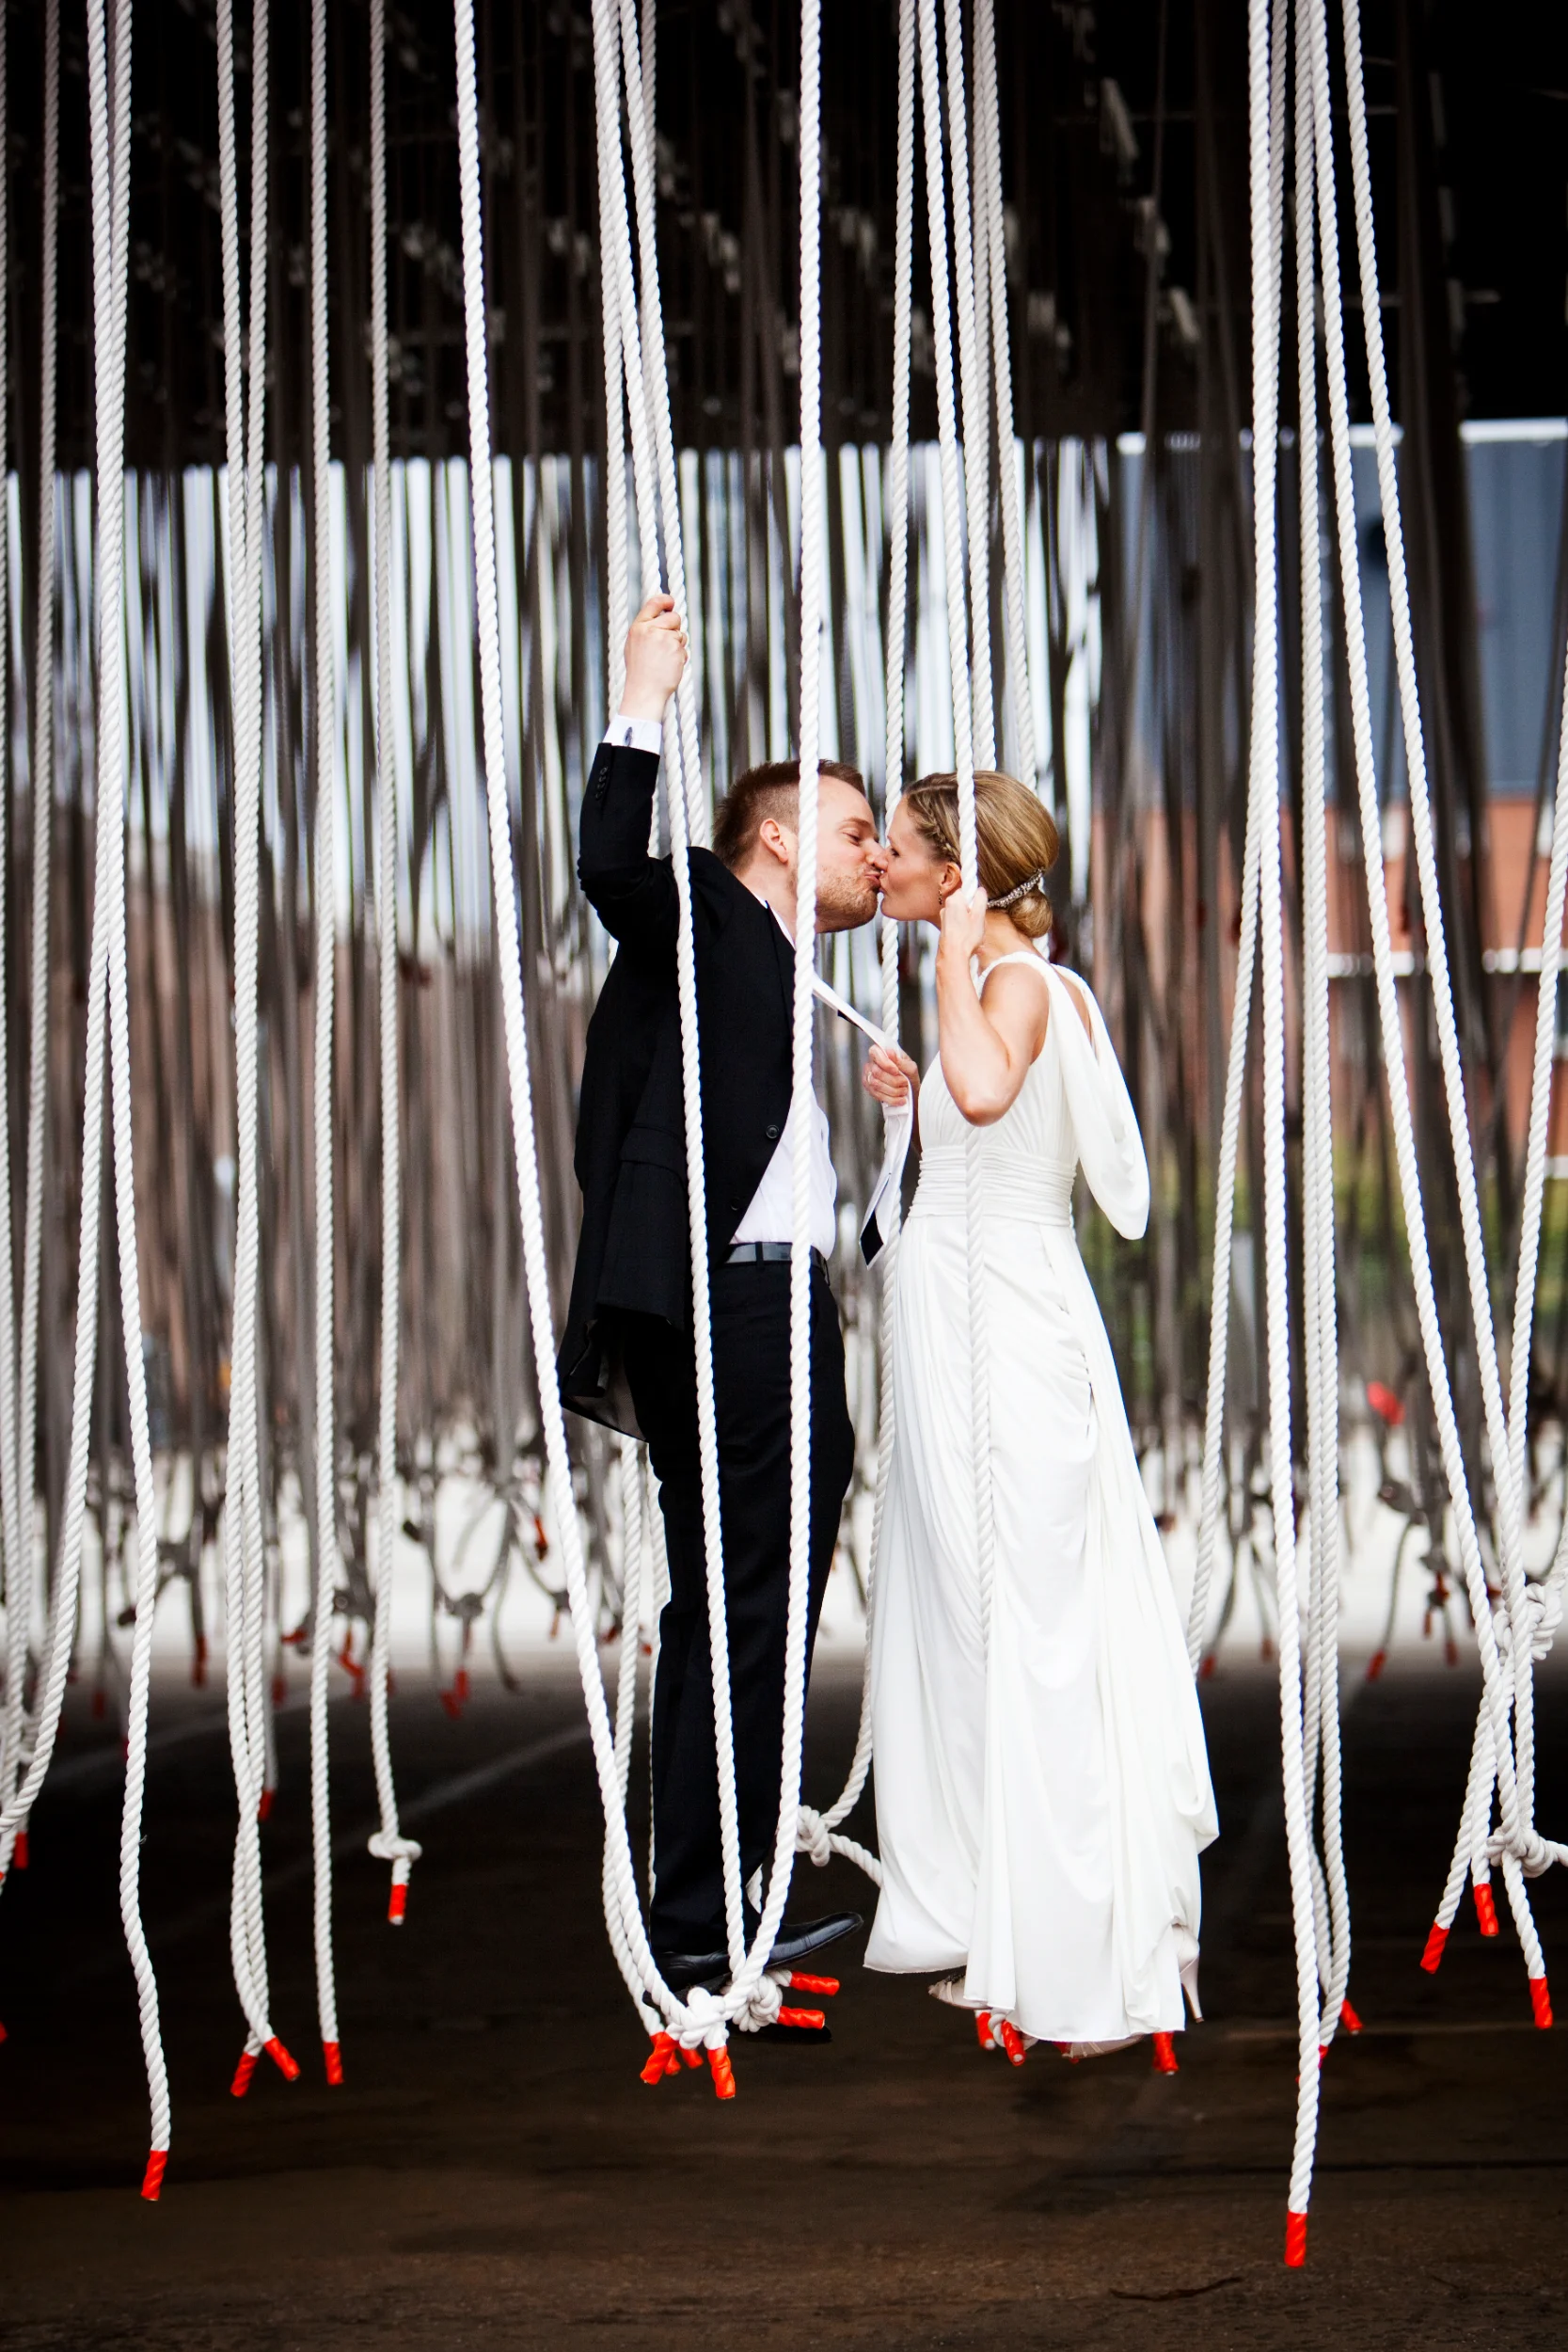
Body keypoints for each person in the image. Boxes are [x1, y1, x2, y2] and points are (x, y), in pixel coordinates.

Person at [859, 771, 1217, 2056]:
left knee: (1022, 1624)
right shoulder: (1004, 988)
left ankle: (1072, 1949)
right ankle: (1010, 1913)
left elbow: (992, 1092)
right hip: (967, 1332)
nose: (879, 865)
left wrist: (954, 971)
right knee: (975, 1618)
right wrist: (912, 1105)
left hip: (1002, 1339)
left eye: (895, 849)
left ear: (955, 874)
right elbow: (964, 1117)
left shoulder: (1009, 981)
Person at [559, 593, 882, 1995]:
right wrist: (641, 698)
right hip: (741, 1317)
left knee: (726, 1613)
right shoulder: (703, 906)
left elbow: (798, 1193)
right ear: (774, 836)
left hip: (760, 1307)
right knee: (749, 1611)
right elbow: (609, 869)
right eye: (856, 828)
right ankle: (703, 1918)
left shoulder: (785, 981)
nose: (874, 852)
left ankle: (703, 1915)